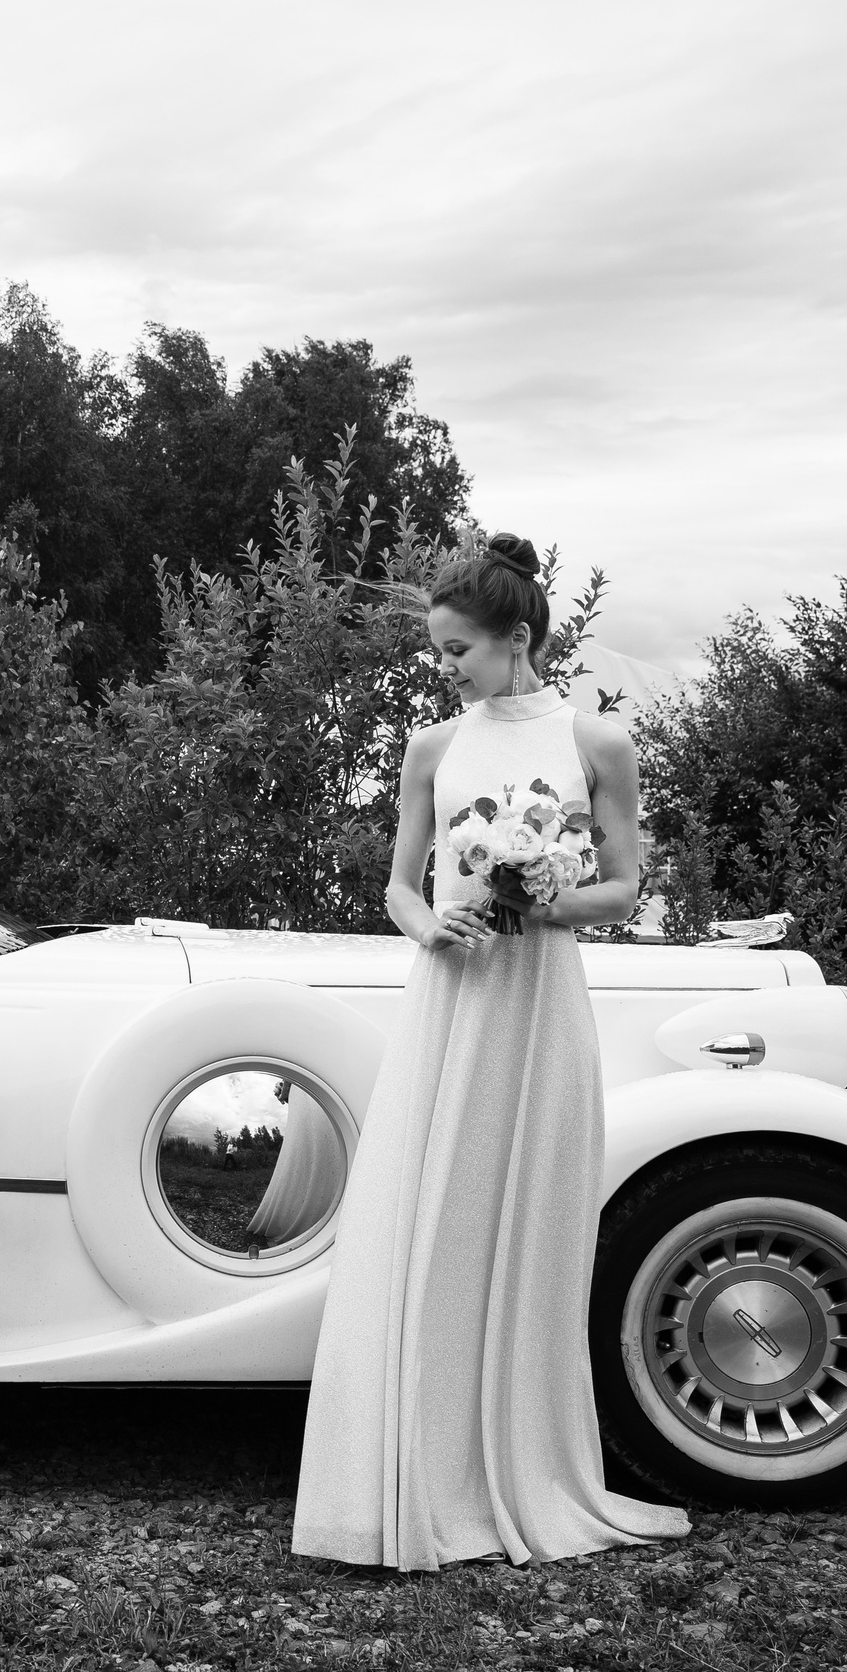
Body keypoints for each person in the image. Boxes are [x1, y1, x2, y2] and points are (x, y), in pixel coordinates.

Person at [290, 534, 692, 1570]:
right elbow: (397, 886)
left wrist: (545, 893)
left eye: (458, 648)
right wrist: (427, 926)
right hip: (453, 1000)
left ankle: (514, 1466)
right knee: (431, 1220)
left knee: (522, 1222)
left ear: (517, 640)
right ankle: (416, 1473)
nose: (446, 667)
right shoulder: (430, 745)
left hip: (537, 1002)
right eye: (438, 651)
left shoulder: (597, 744)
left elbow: (621, 890)